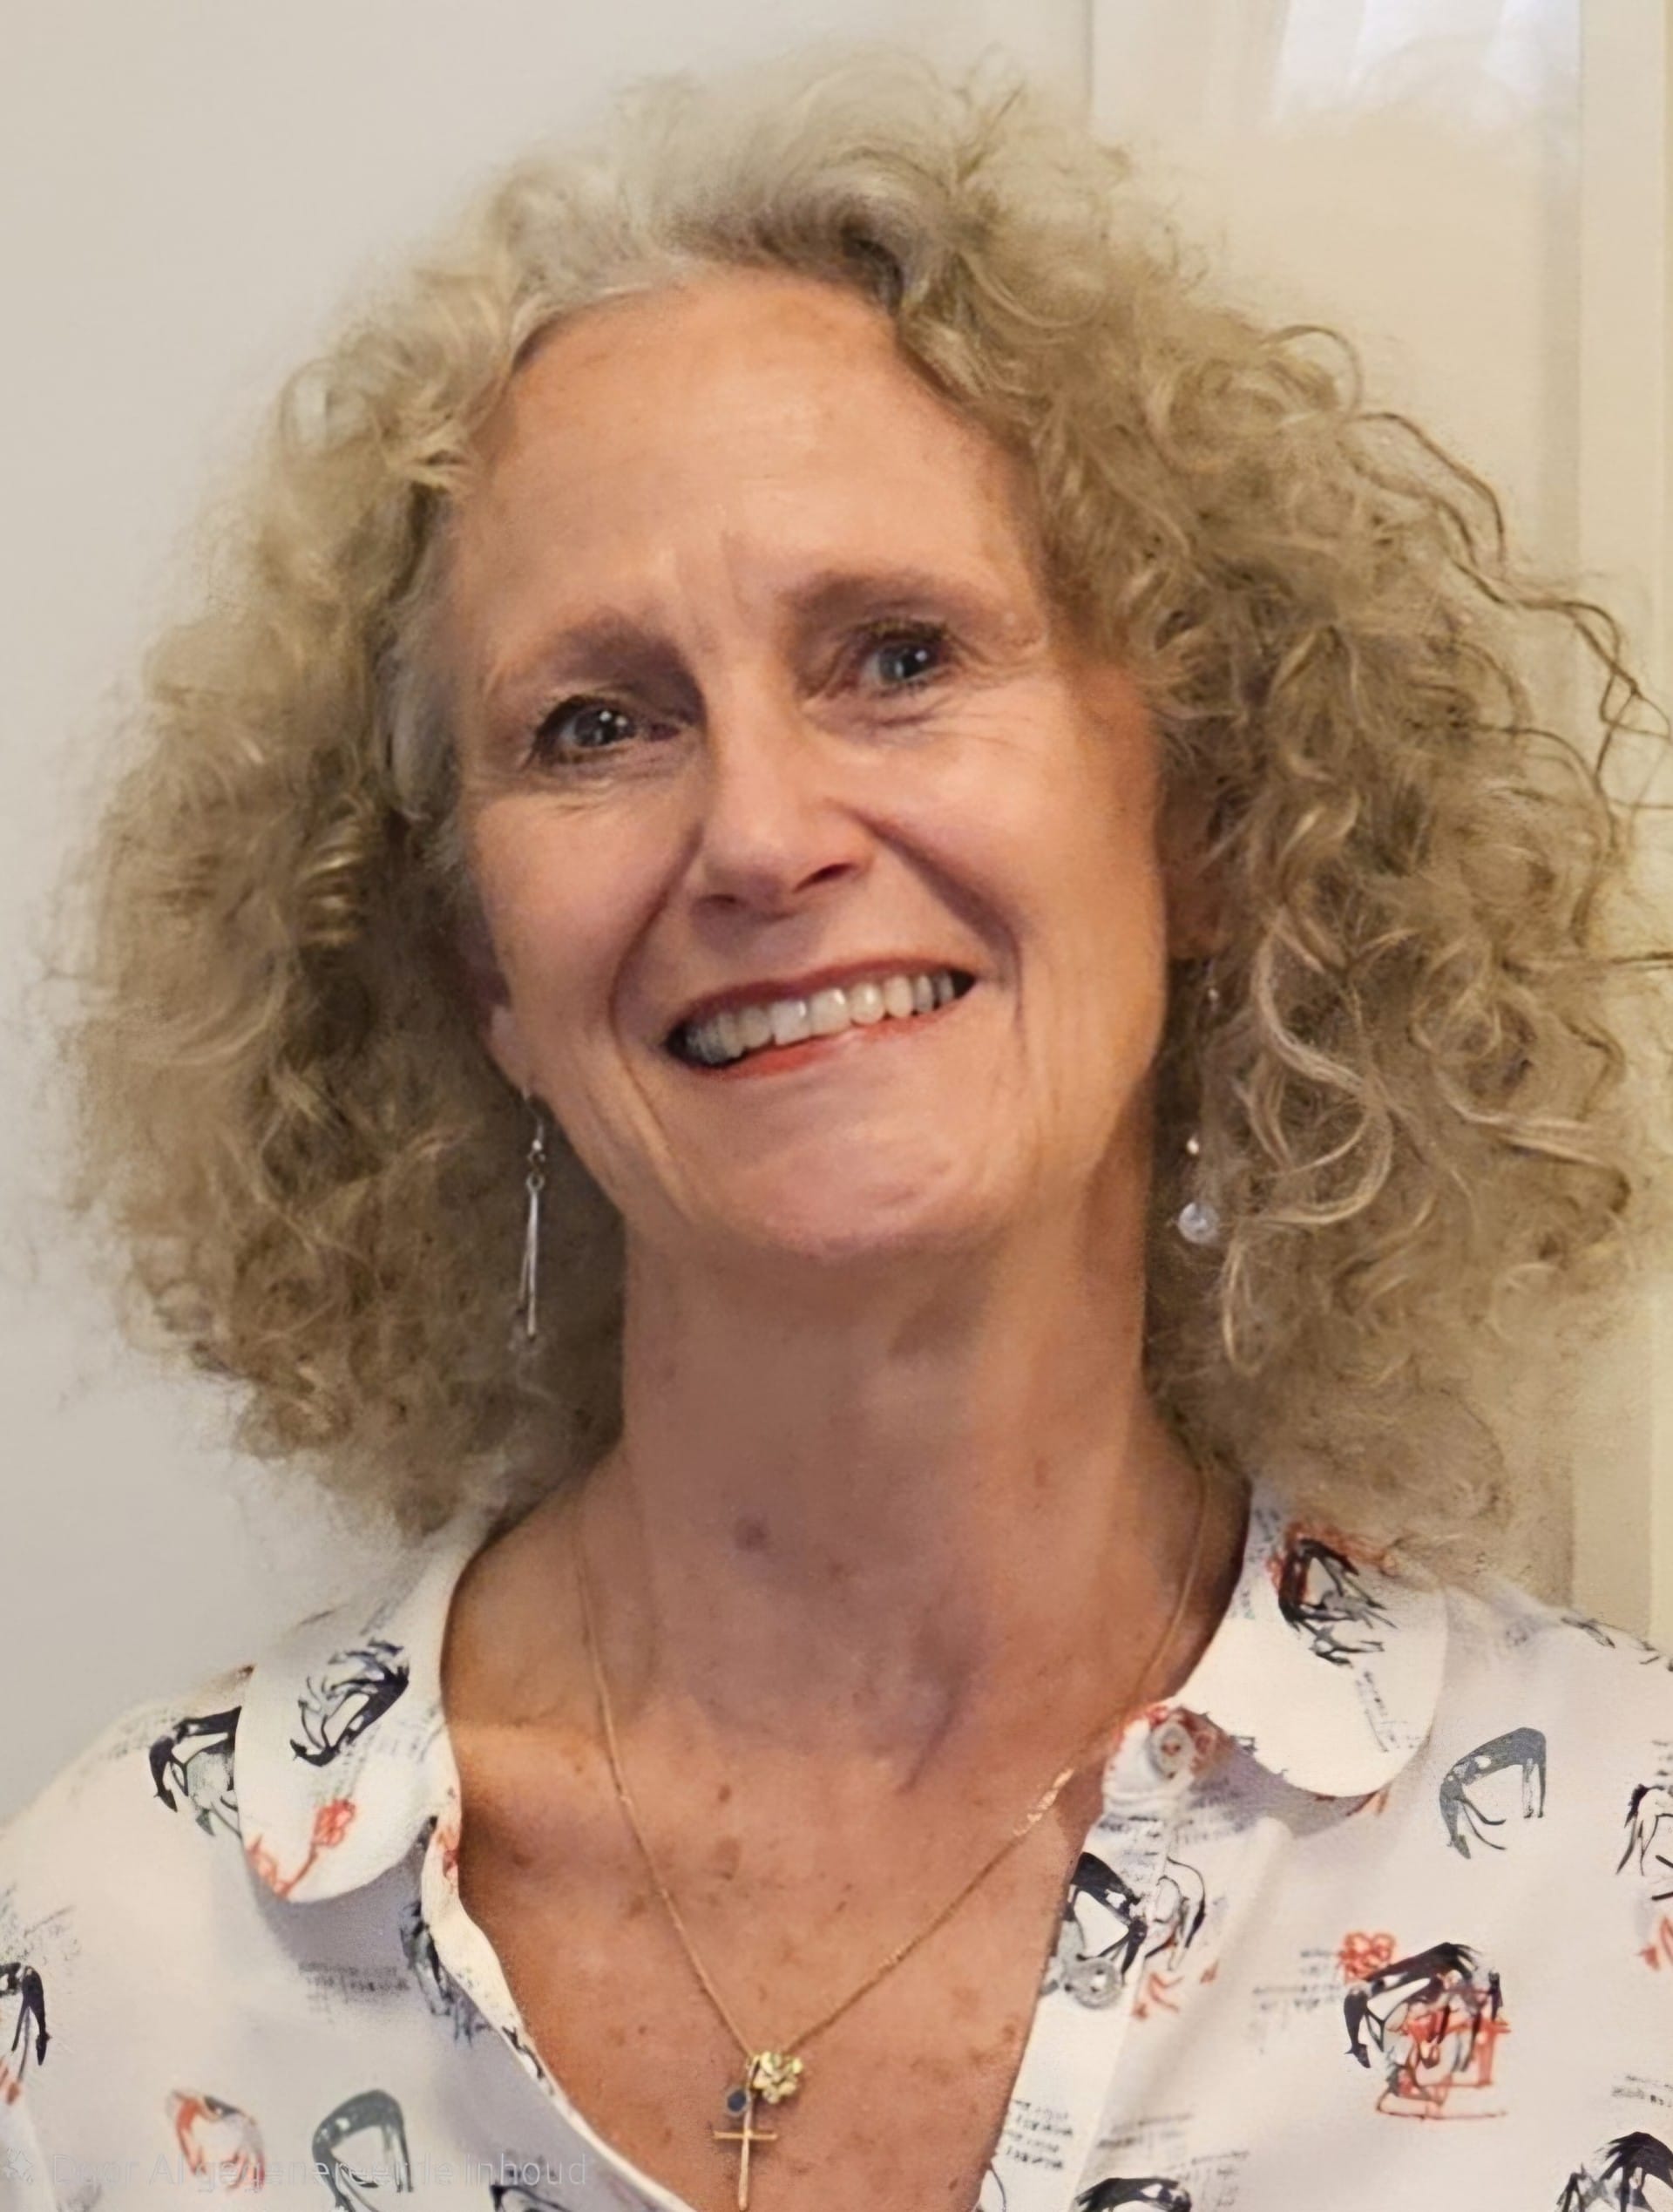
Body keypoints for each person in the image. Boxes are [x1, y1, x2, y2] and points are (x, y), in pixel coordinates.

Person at [4, 41, 1673, 2212]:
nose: (763, 836)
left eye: (897, 656)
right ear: (480, 971)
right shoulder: (130, 1965)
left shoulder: (1613, 1891)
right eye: (594, 725)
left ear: (1199, 817)